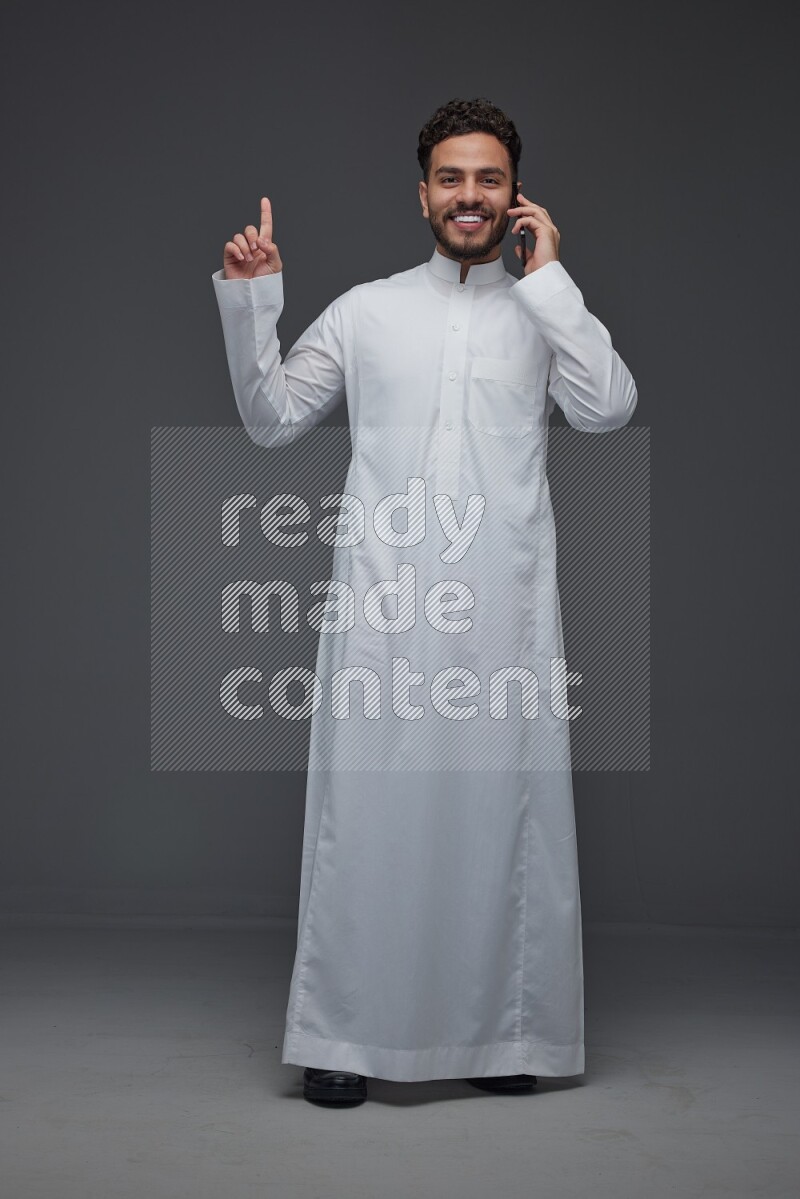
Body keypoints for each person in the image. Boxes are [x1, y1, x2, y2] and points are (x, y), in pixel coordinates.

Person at [212, 97, 638, 1107]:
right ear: (422, 195)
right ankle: (341, 1035)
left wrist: (550, 281)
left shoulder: (541, 311)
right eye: (451, 178)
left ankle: (506, 1032)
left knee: (502, 817)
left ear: (516, 196)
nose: (468, 195)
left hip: (504, 608)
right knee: (364, 816)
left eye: (488, 179)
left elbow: (607, 407)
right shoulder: (367, 311)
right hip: (383, 603)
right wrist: (254, 301)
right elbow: (271, 418)